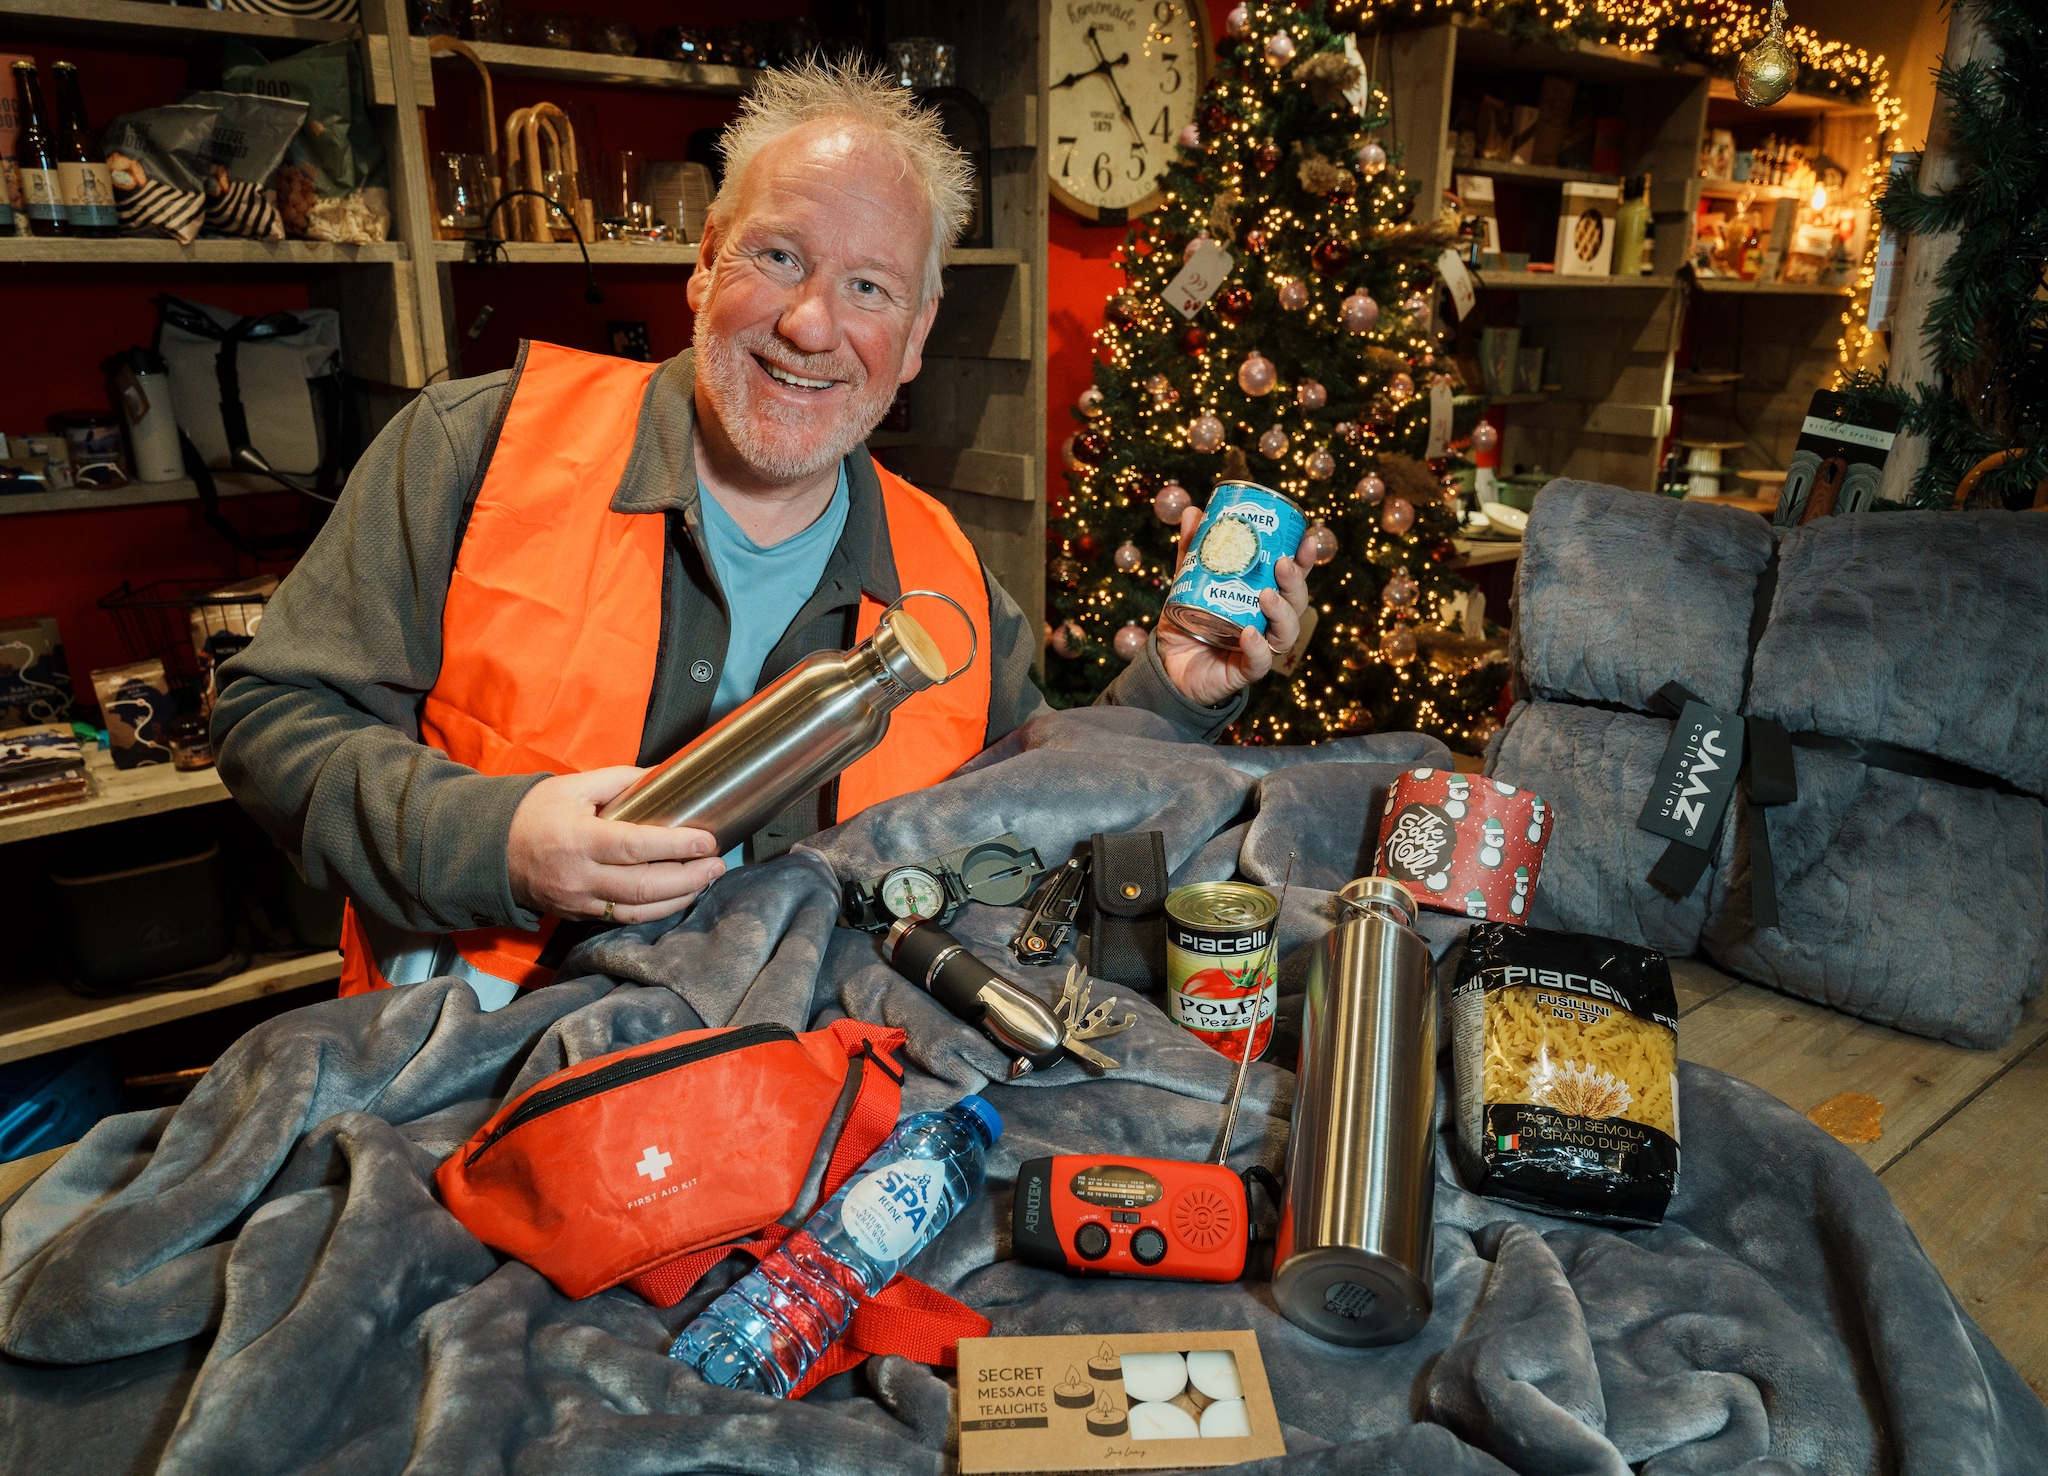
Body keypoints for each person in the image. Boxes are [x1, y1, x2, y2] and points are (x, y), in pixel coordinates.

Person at [213, 61, 1314, 1011]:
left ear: (916, 336)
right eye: (778, 258)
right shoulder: (474, 444)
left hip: (789, 1108)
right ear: (704, 262)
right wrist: (495, 841)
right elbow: (271, 722)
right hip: (453, 1073)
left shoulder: (949, 581)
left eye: (869, 286)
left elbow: (1029, 807)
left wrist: (1175, 689)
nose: (809, 325)